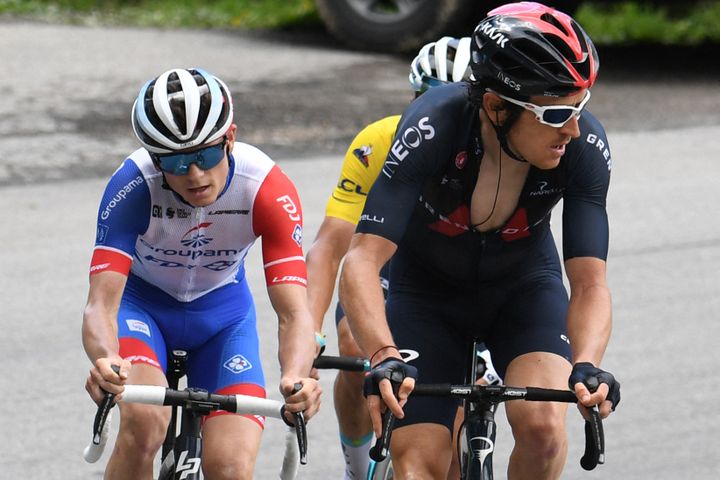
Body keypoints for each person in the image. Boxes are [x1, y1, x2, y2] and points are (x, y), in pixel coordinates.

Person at [339, 2, 621, 479]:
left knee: (544, 429)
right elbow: (363, 259)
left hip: (523, 291)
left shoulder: (583, 147)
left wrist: (588, 363)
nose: (573, 128)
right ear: (496, 107)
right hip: (426, 296)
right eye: (555, 113)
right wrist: (383, 354)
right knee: (417, 466)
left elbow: (590, 284)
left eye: (580, 107)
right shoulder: (432, 127)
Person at [81, 67, 322, 480]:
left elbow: (294, 312)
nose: (194, 174)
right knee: (144, 424)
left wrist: (298, 376)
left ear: (230, 138)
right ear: (156, 160)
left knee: (229, 466)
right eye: (175, 162)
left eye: (206, 156)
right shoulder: (133, 184)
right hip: (143, 312)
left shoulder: (265, 186)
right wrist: (107, 360)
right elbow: (101, 304)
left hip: (223, 320)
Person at [306, 36, 500, 479]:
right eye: (428, 97)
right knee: (356, 350)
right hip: (391, 266)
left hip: (463, 279)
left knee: (448, 432)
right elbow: (332, 243)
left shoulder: (500, 156)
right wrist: (309, 329)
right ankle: (361, 471)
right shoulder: (379, 141)